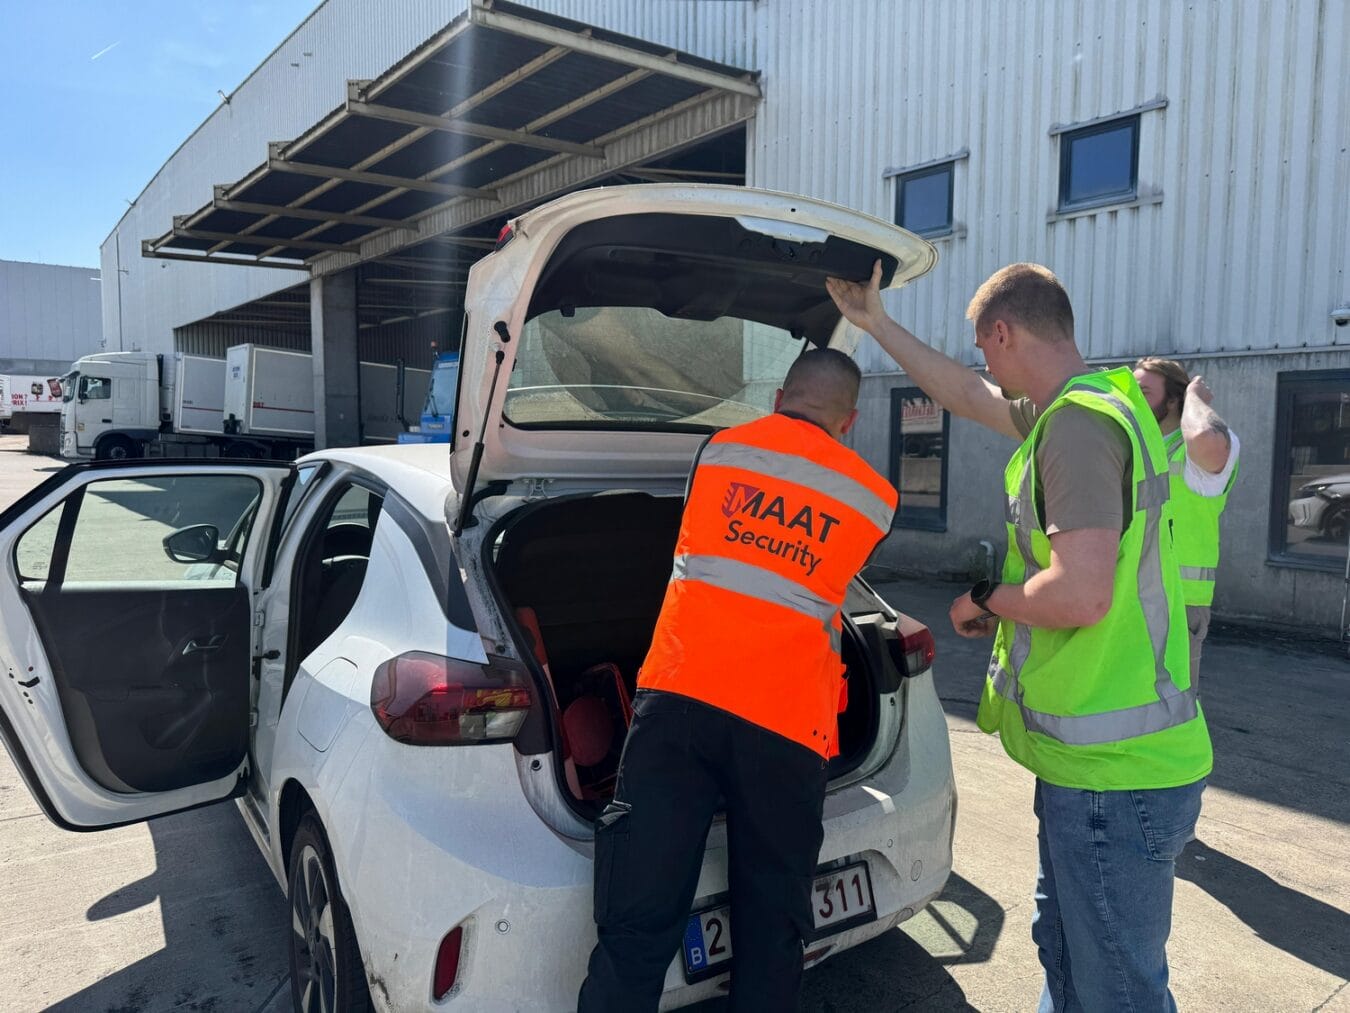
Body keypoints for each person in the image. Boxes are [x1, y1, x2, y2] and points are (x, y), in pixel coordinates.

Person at [827, 262, 1211, 1012]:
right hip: (1101, 763)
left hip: (1115, 774)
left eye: (984, 347)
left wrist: (986, 601)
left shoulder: (1075, 425)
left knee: (1118, 991)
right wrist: (875, 323)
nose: (984, 366)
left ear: (1002, 332)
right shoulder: (1099, 402)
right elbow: (966, 395)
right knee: (1070, 958)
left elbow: (1081, 591)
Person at [576, 348, 898, 1012]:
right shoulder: (874, 498)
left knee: (638, 921)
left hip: (679, 702)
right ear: (852, 420)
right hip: (785, 725)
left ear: (779, 398)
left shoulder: (719, 453)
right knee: (772, 927)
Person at [1134, 357, 1238, 688]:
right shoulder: (1144, 448)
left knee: (1174, 705)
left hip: (1179, 602)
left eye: (1144, 392)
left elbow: (1206, 436)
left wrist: (1194, 396)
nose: (1135, 401)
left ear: (1174, 399)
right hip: (1128, 595)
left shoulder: (1197, 450)